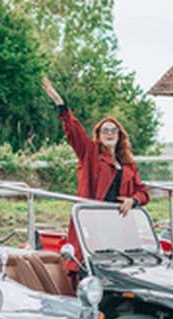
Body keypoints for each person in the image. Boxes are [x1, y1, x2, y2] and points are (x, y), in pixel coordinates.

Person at [42, 77, 149, 276]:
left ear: (119, 136)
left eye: (113, 130)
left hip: (120, 221)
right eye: (105, 130)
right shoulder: (90, 154)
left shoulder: (128, 164)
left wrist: (132, 200)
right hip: (95, 219)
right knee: (94, 265)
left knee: (124, 267)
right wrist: (60, 103)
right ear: (99, 135)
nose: (110, 133)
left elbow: (142, 192)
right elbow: (73, 131)